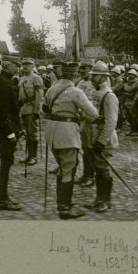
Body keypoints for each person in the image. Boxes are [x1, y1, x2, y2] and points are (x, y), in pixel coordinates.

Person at [43, 61, 99, 220]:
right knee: (69, 169)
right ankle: (64, 208)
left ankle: (62, 202)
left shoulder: (51, 89)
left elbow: (45, 110)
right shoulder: (76, 92)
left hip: (52, 131)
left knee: (62, 167)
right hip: (67, 133)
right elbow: (93, 114)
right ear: (75, 75)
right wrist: (79, 115)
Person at [82, 61, 119, 213]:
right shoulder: (93, 92)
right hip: (91, 137)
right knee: (97, 170)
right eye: (91, 75)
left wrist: (102, 141)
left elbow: (111, 121)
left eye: (95, 75)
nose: (91, 78)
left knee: (103, 170)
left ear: (104, 77)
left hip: (102, 139)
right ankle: (98, 199)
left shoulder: (109, 96)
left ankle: (106, 201)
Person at [0, 58, 24, 211]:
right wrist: (11, 133)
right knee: (6, 162)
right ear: (8, 66)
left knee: (7, 162)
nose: (18, 68)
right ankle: (3, 200)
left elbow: (13, 107)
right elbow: (3, 112)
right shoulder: (2, 82)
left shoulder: (5, 79)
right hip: (5, 129)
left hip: (7, 127)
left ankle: (4, 198)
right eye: (15, 66)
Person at [17, 58, 44, 166]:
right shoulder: (22, 78)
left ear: (33, 66)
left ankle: (33, 157)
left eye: (28, 65)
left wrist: (37, 110)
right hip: (23, 109)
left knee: (32, 133)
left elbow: (39, 95)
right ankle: (28, 155)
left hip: (31, 109)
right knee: (26, 134)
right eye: (23, 65)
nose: (25, 67)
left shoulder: (36, 78)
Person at [122, 69, 138, 136]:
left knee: (134, 116)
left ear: (135, 75)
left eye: (131, 75)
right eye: (129, 74)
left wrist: (125, 85)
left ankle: (135, 130)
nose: (130, 76)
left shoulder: (137, 82)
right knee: (128, 116)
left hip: (134, 100)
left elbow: (130, 89)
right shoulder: (128, 81)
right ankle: (132, 130)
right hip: (127, 100)